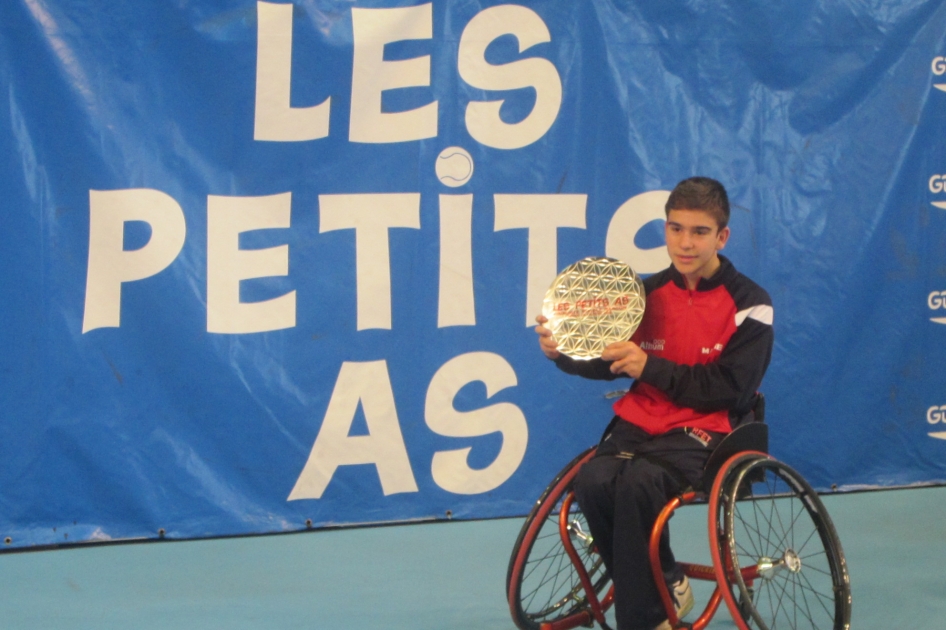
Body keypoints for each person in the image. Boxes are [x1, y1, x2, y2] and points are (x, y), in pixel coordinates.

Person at [534, 177, 773, 630]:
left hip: (709, 427)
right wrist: (563, 353)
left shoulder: (751, 304)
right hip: (641, 421)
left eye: (699, 232)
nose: (685, 243)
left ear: (722, 236)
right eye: (675, 228)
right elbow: (609, 363)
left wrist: (649, 368)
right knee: (594, 481)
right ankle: (666, 579)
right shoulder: (641, 295)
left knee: (640, 484)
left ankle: (643, 620)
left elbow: (732, 389)